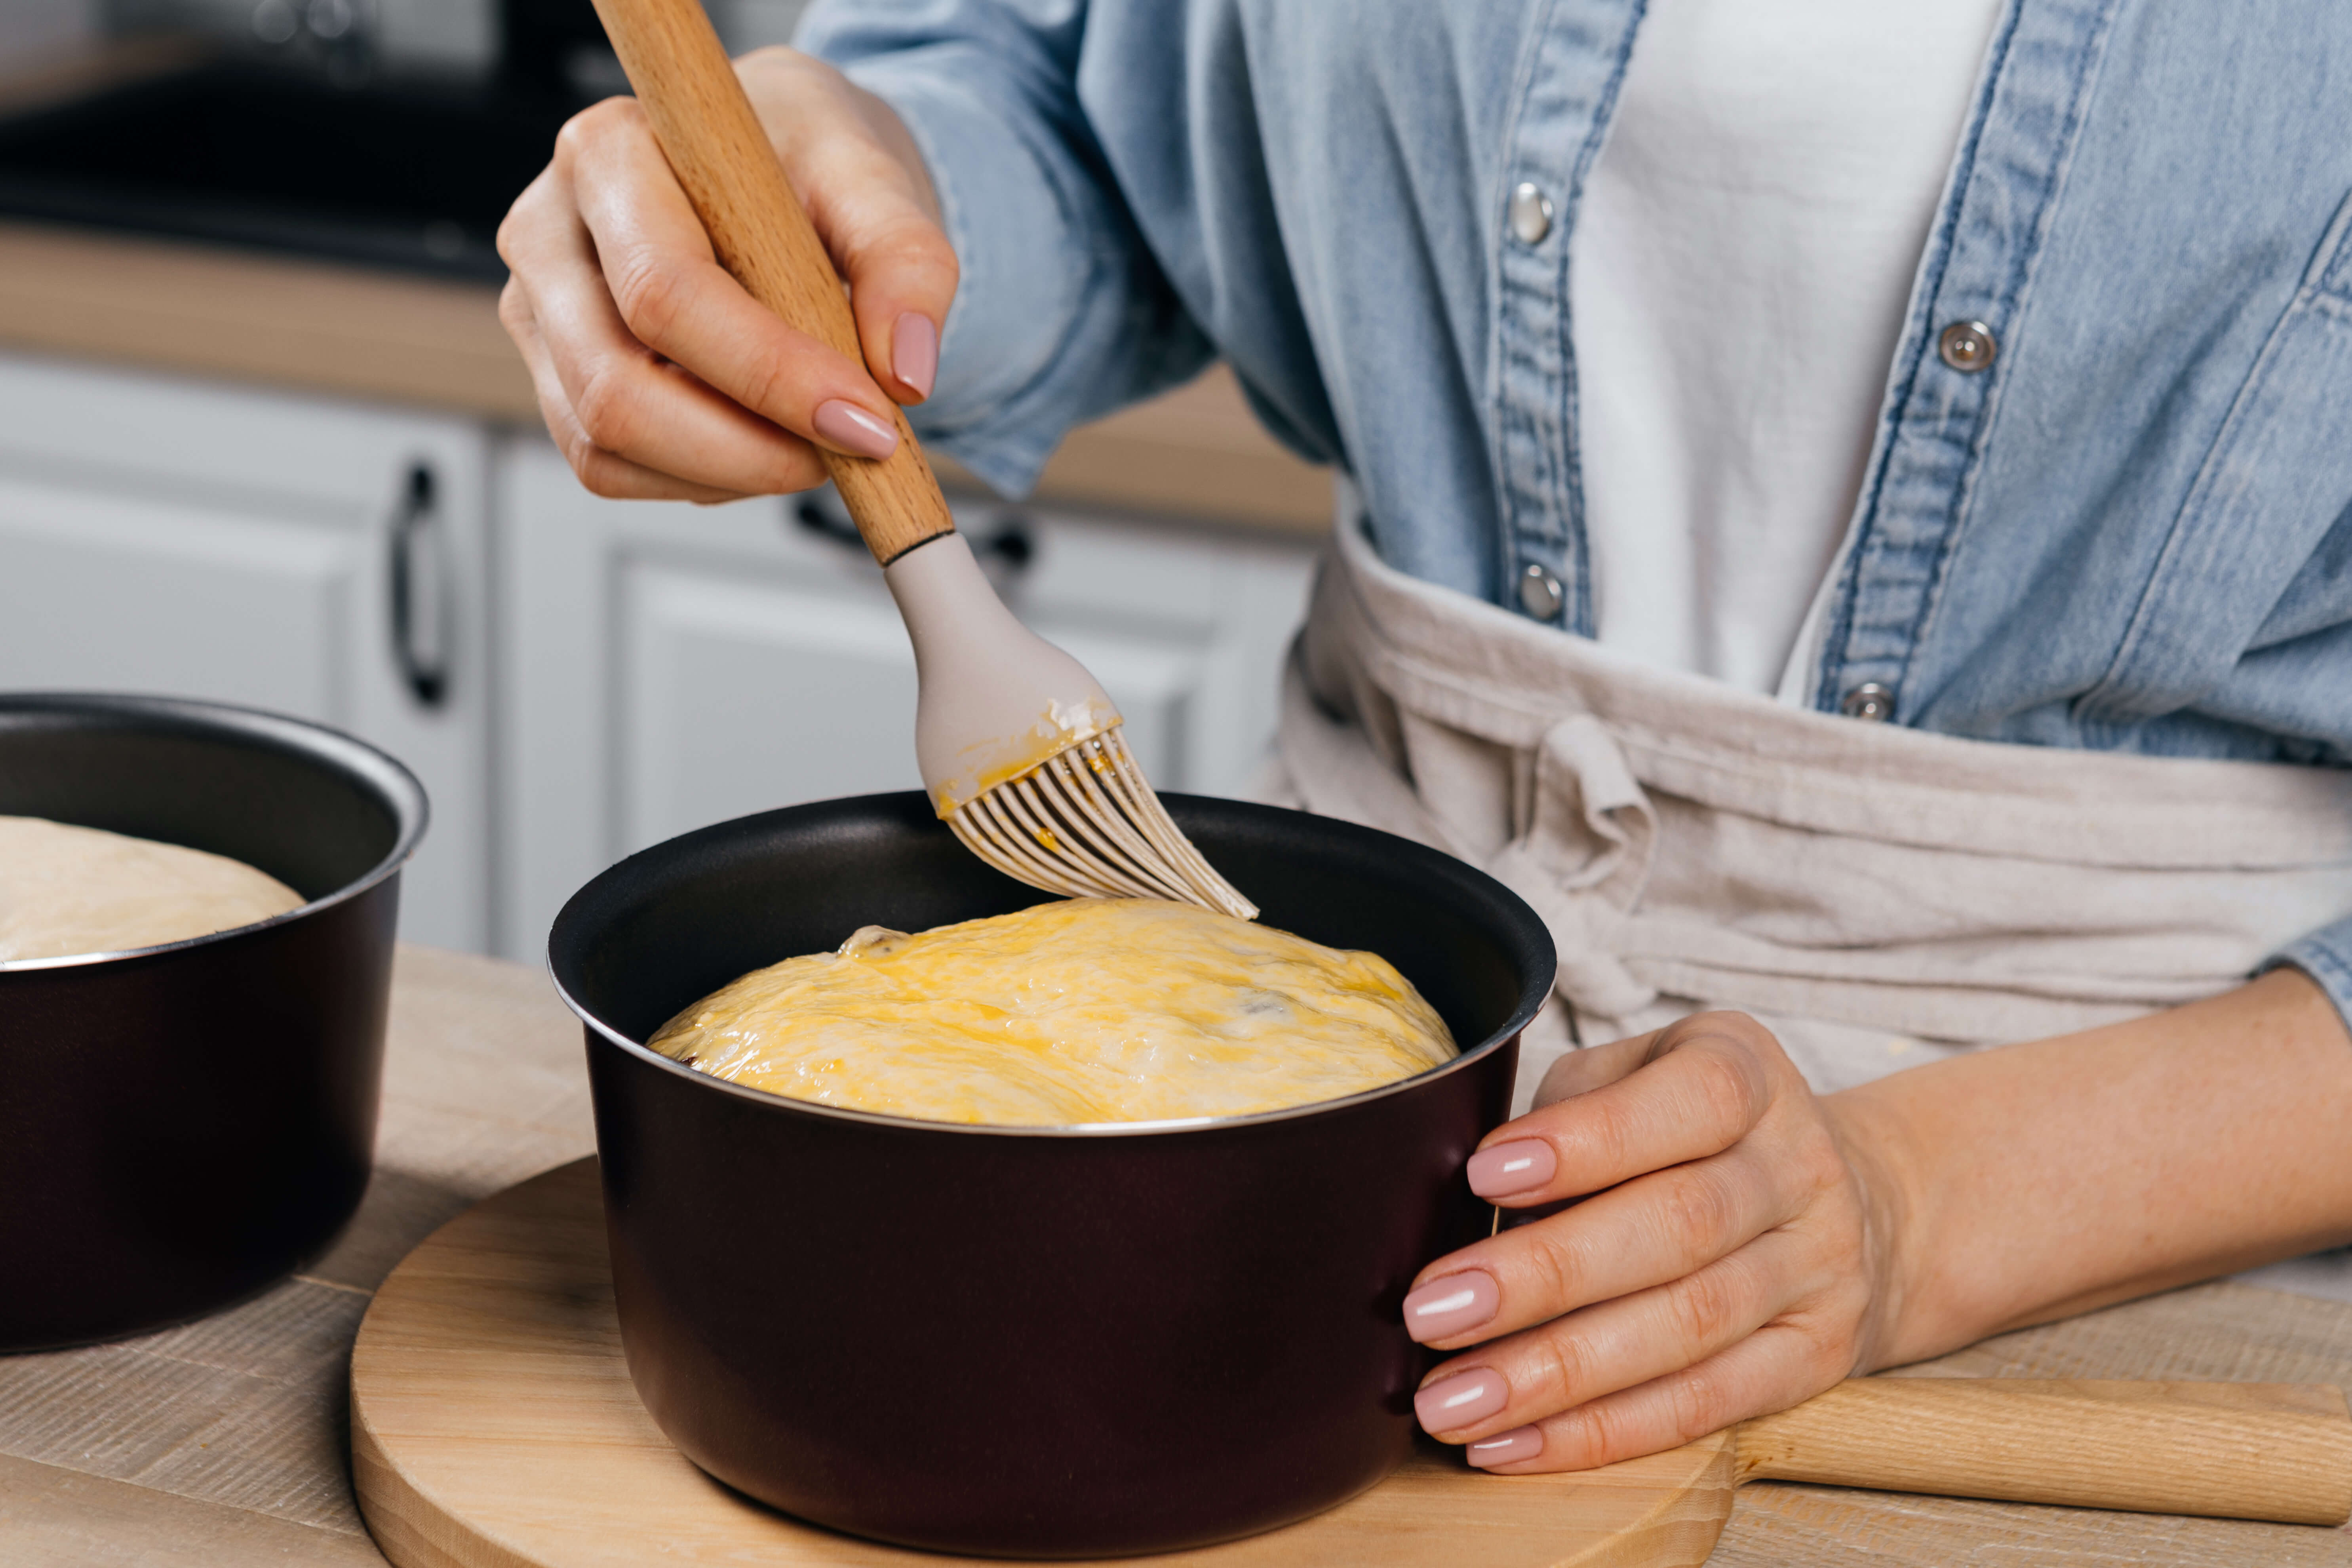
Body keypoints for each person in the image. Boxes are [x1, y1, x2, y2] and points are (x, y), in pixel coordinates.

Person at [497, 0, 2352, 1475]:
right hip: (1281, 1180)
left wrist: (1915, 1203)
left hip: (2132, 1295)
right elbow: (1070, 89)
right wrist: (865, 179)